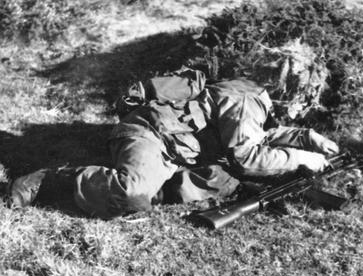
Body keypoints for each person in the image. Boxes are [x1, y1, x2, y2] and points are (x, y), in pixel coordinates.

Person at [9, 68, 339, 218]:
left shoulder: (252, 94)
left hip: (178, 150)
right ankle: (49, 180)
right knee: (132, 193)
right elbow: (248, 157)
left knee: (199, 186)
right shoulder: (246, 101)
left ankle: (156, 185)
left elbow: (258, 136)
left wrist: (309, 139)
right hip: (151, 135)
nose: (305, 106)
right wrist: (301, 159)